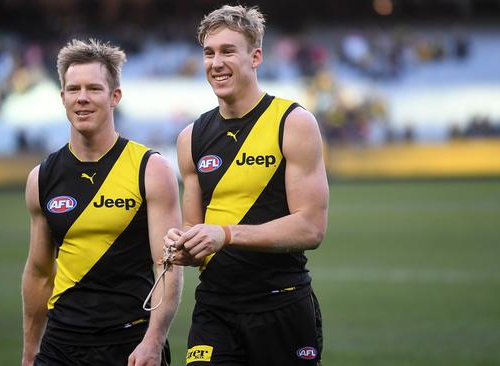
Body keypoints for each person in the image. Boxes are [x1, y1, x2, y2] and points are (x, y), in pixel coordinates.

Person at [166, 5, 329, 365]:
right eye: (209, 53)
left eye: (227, 51)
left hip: (281, 304)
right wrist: (183, 244)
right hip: (214, 309)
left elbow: (311, 228)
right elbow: (196, 231)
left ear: (256, 57)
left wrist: (225, 234)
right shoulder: (190, 138)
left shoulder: (293, 122)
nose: (216, 62)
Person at [22, 39, 183, 366]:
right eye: (74, 89)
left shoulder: (151, 169)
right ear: (62, 97)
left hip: (130, 343)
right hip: (60, 346)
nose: (82, 98)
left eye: (94, 88)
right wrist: (29, 353)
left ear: (115, 97)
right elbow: (39, 274)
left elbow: (168, 266)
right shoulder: (41, 177)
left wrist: (154, 341)